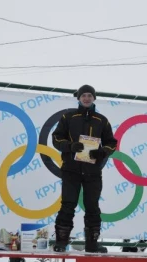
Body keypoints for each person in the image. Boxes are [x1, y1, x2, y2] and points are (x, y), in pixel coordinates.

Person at [52, 84, 117, 253]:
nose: (86, 98)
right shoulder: (68, 117)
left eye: (89, 95)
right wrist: (70, 146)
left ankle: (92, 244)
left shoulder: (101, 120)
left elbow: (112, 143)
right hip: (71, 170)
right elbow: (56, 138)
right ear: (78, 98)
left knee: (92, 207)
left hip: (93, 172)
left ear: (94, 98)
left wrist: (101, 152)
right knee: (68, 205)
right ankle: (61, 242)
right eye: (83, 96)